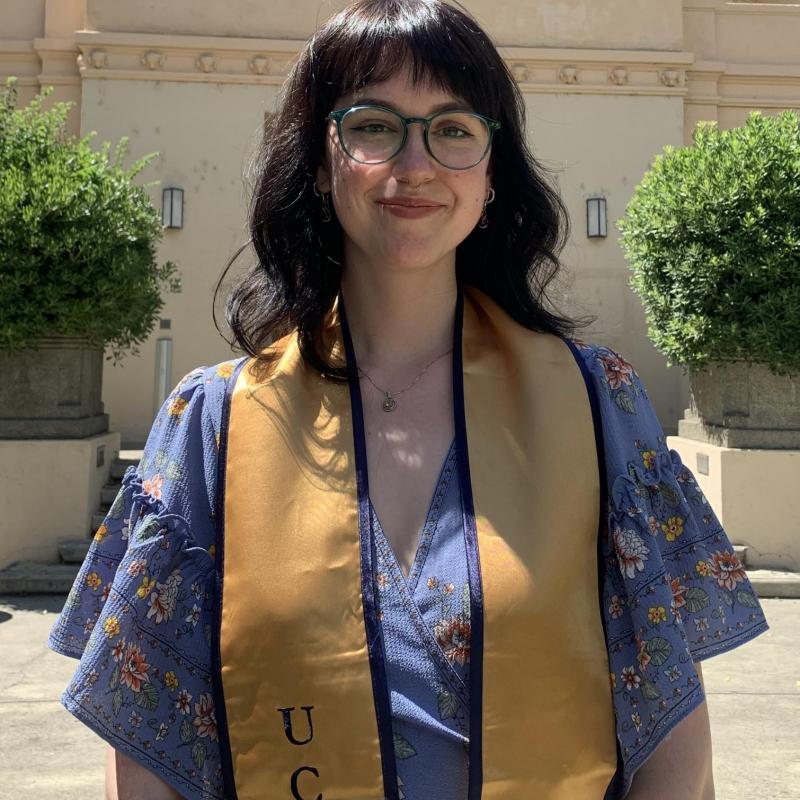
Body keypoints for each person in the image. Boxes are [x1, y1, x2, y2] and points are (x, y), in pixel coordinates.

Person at [47, 1, 769, 798]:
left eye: (454, 128)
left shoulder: (598, 405)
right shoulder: (215, 423)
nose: (416, 163)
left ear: (492, 173)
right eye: (375, 125)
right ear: (321, 162)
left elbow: (672, 738)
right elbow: (146, 740)